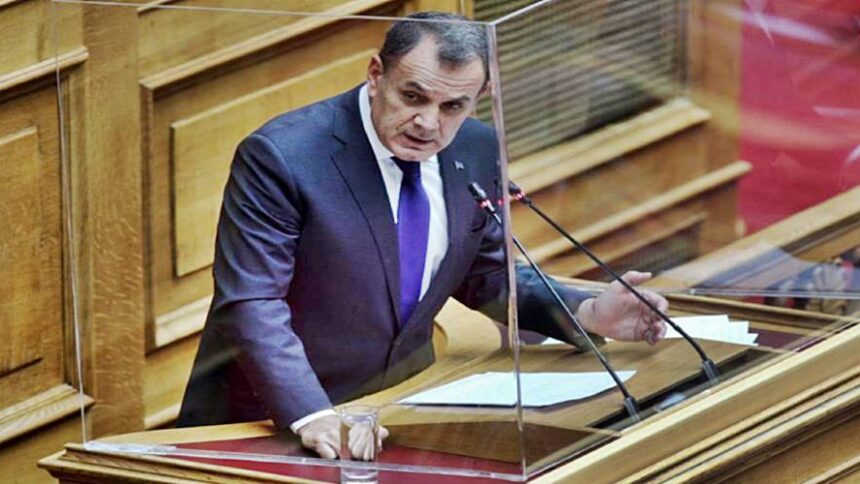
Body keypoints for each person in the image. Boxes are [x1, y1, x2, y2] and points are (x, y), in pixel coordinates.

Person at [177, 11, 668, 459]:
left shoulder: (476, 147)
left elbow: (485, 274)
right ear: (376, 75)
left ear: (480, 97)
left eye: (453, 105)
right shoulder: (284, 156)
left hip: (400, 414)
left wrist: (585, 312)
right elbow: (253, 302)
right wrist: (312, 414)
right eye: (412, 97)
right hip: (273, 426)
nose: (428, 123)